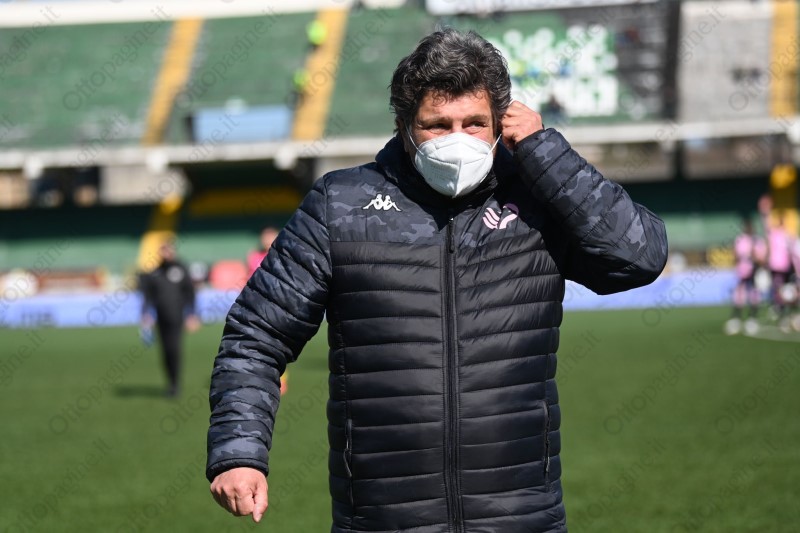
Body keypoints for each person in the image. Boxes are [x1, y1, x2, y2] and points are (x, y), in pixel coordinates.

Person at [206, 29, 667, 532]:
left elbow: (638, 257)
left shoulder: (539, 196)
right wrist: (239, 452)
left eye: (475, 123)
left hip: (520, 515)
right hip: (384, 519)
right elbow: (256, 336)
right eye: (437, 125)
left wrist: (545, 152)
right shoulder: (341, 204)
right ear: (404, 126)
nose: (457, 139)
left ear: (500, 124)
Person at [139, 240, 199, 397]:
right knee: (165, 351)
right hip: (161, 318)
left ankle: (175, 383)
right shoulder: (155, 273)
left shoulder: (181, 269)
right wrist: (145, 314)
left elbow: (190, 293)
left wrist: (192, 314)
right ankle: (171, 382)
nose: (167, 254)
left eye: (169, 250)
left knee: (174, 349)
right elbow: (148, 297)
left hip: (177, 317)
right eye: (163, 251)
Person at [725, 218, 765, 335]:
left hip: (754, 271)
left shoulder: (757, 241)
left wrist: (754, 257)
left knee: (754, 294)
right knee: (739, 295)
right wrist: (738, 259)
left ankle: (752, 318)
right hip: (742, 272)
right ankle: (736, 319)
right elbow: (735, 256)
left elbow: (762, 259)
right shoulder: (740, 240)